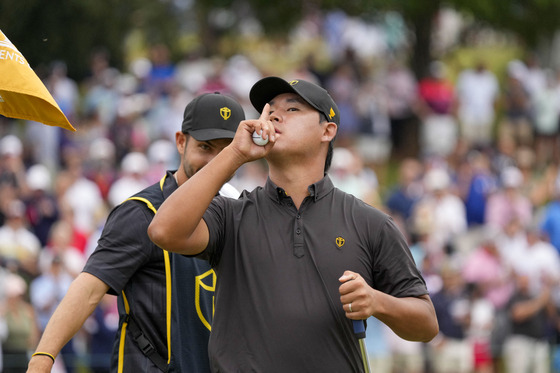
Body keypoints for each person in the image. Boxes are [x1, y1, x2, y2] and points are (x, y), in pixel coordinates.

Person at [148, 77, 439, 372]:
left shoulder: (369, 222)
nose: (274, 115)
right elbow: (163, 231)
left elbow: (426, 324)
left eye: (293, 109)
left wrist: (377, 302)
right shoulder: (230, 215)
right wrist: (234, 154)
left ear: (327, 131)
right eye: (270, 109)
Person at [27, 92, 245, 373]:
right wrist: (42, 358)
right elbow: (89, 288)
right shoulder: (141, 212)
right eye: (205, 147)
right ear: (180, 142)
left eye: (227, 151)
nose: (216, 161)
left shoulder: (236, 210)